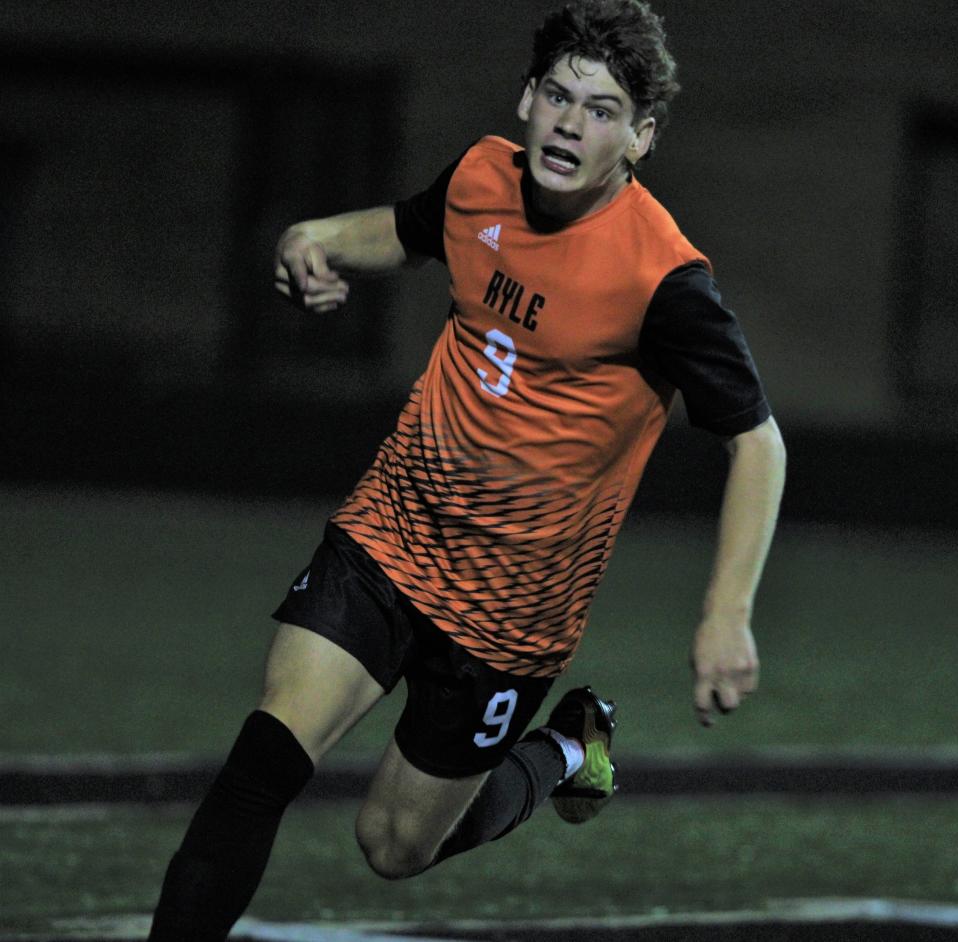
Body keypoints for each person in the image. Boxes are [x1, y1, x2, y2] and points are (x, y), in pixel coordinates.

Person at [149, 0, 786, 937]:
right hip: (391, 535)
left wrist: (726, 614)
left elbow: (757, 443)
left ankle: (565, 748)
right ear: (528, 98)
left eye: (603, 110)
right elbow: (406, 230)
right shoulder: (483, 177)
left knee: (394, 844)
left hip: (508, 614)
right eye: (559, 97)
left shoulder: (666, 282)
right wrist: (315, 236)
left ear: (640, 137)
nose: (571, 124)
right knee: (264, 762)